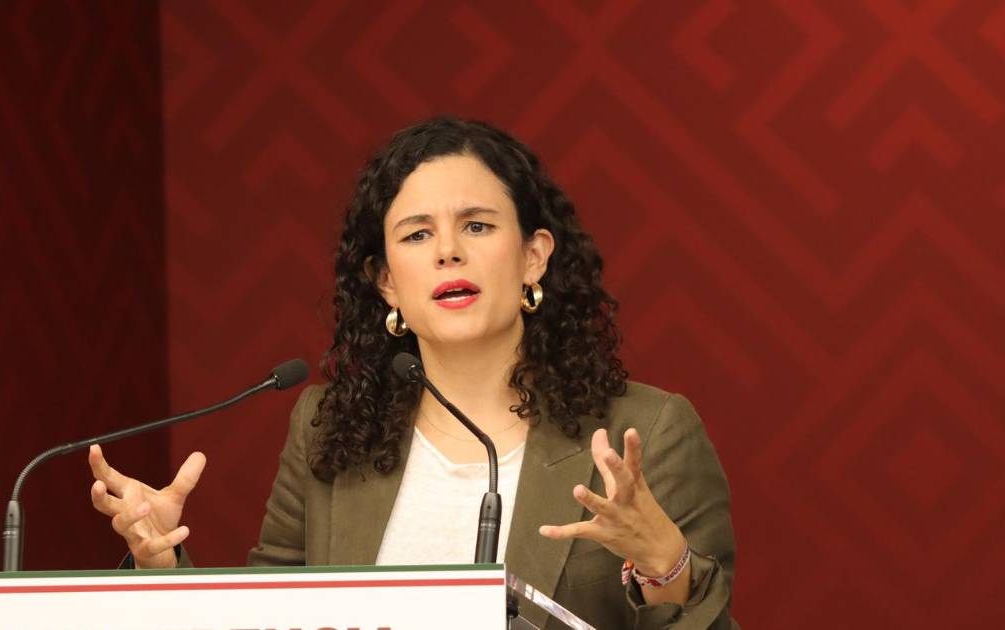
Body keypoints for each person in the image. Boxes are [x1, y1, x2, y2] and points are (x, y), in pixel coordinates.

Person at [87, 116, 737, 629]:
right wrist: (160, 561)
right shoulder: (327, 428)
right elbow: (272, 617)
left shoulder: (645, 431)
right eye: (417, 235)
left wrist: (665, 565)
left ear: (534, 257)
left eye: (476, 225)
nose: (448, 250)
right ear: (387, 282)